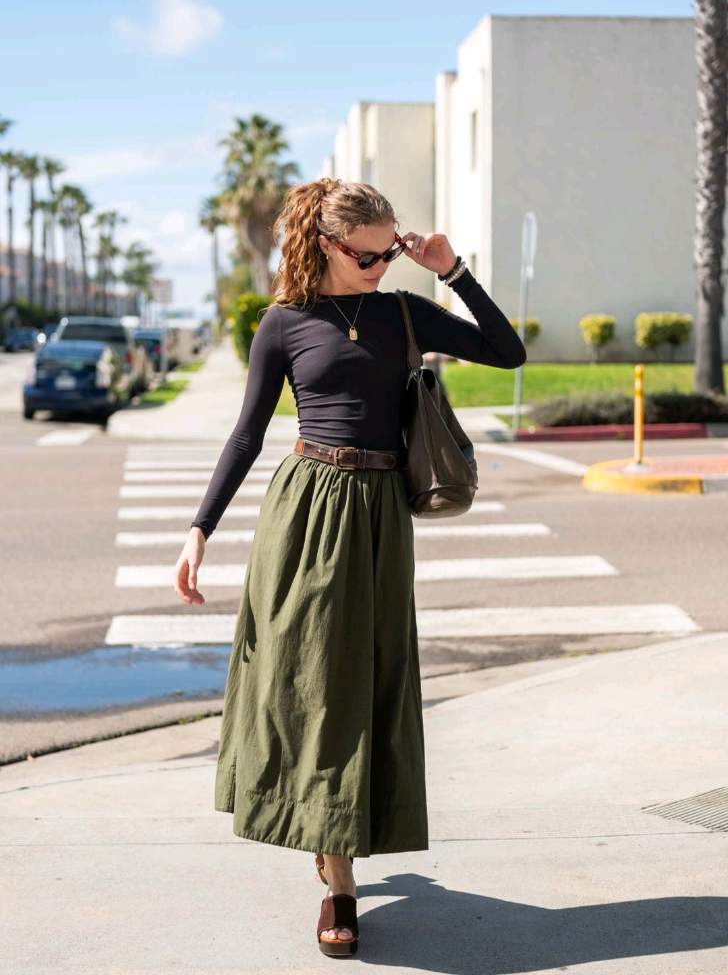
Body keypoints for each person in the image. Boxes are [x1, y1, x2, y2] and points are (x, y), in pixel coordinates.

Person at [173, 178, 527, 957]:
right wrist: (200, 529)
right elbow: (245, 435)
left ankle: (342, 837)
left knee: (370, 679)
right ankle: (339, 882)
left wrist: (452, 271)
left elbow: (509, 353)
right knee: (312, 683)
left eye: (388, 252)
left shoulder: (405, 312)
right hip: (305, 511)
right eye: (366, 256)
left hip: (380, 514)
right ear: (327, 246)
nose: (380, 266)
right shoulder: (285, 323)